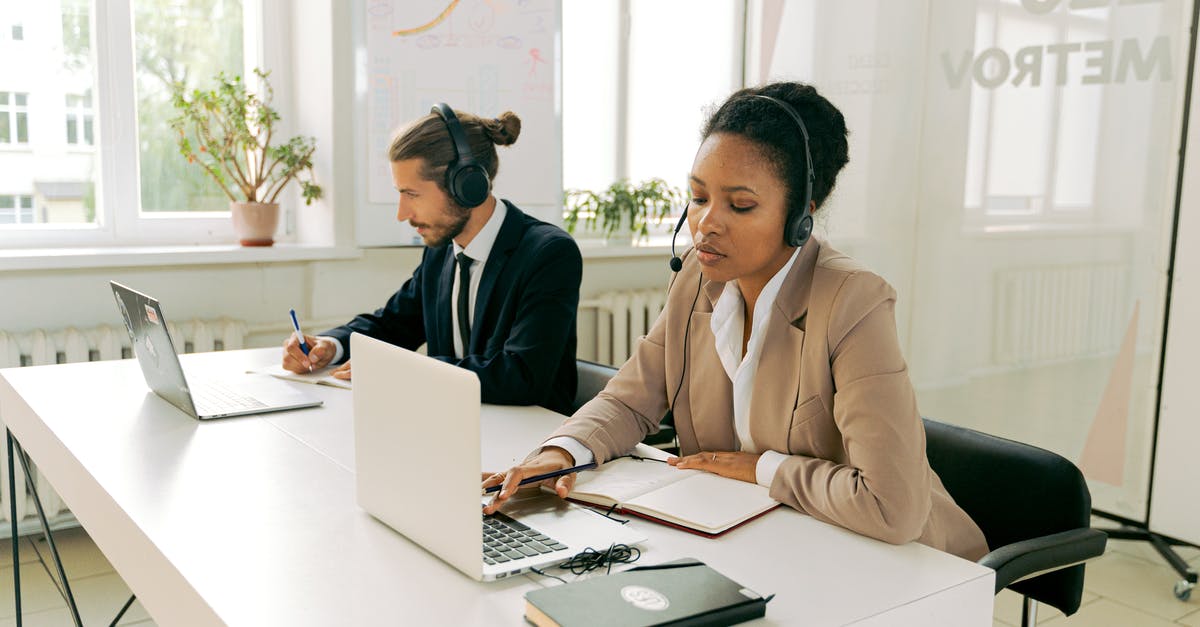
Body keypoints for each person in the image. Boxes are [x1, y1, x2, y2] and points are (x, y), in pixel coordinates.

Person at [482, 83, 988, 560]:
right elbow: (630, 398)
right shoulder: (697, 283)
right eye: (699, 197)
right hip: (764, 543)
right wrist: (562, 453)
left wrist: (765, 469)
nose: (705, 223)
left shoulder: (853, 301)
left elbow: (892, 507)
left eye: (740, 205)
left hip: (901, 565)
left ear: (800, 216)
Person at [283, 105, 582, 414]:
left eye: (412, 195)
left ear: (467, 186)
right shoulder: (441, 251)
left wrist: (405, 372)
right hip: (451, 426)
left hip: (529, 442)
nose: (402, 214)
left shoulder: (547, 254)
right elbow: (394, 324)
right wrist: (332, 345)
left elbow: (520, 376)